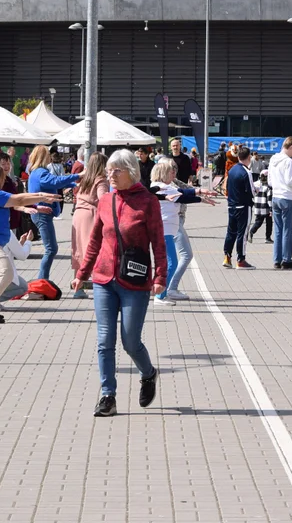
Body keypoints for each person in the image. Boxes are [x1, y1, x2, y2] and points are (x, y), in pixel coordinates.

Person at [71, 149, 166, 417]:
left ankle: (148, 373)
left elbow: (158, 243)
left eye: (116, 171)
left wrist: (160, 277)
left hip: (134, 281)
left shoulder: (148, 202)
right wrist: (82, 273)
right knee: (104, 341)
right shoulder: (105, 201)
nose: (110, 175)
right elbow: (95, 241)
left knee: (130, 341)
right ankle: (107, 395)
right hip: (103, 279)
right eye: (109, 170)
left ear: (131, 172)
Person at [0, 163, 59, 323]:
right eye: (2, 177)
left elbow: (17, 203)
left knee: (2, 274)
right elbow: (18, 198)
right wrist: (41, 196)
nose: (4, 179)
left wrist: (37, 200)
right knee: (4, 272)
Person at [151, 157, 215, 305]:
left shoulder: (164, 186)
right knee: (172, 262)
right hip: (165, 230)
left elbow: (181, 191)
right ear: (163, 174)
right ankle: (160, 295)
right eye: (170, 172)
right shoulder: (162, 187)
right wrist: (200, 195)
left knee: (170, 262)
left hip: (167, 229)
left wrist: (199, 193)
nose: (173, 174)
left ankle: (163, 293)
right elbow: (183, 197)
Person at [26, 145, 80, 281]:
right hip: (42, 213)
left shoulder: (36, 172)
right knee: (51, 249)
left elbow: (53, 183)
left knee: (51, 248)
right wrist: (76, 177)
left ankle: (43, 279)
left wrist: (73, 184)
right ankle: (42, 280)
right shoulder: (40, 172)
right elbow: (54, 181)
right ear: (44, 157)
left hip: (42, 213)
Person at [71, 152, 109, 299]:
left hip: (78, 214)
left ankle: (78, 286)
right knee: (92, 249)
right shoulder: (101, 180)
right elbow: (103, 198)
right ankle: (99, 286)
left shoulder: (84, 178)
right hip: (91, 215)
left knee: (78, 249)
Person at [268, 137, 292, 270]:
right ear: (290, 147)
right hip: (287, 197)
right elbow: (290, 181)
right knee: (288, 230)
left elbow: (270, 181)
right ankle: (286, 259)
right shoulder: (288, 161)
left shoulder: (273, 159)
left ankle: (276, 259)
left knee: (278, 230)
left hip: (275, 196)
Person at [222, 146, 255, 269]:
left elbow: (228, 188)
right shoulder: (246, 172)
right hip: (243, 206)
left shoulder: (232, 170)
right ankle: (241, 259)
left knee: (231, 232)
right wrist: (256, 190)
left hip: (231, 205)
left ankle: (227, 256)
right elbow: (252, 191)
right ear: (249, 157)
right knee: (243, 233)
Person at [249, 170, 273, 244]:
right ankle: (267, 237)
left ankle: (251, 232)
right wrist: (271, 209)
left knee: (258, 222)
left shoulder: (255, 184)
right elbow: (269, 199)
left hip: (257, 207)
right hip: (266, 208)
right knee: (269, 223)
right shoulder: (268, 187)